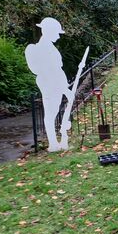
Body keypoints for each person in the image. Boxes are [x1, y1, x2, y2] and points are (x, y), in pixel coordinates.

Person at [25, 18, 73, 152]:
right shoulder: (39, 49)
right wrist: (64, 88)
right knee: (51, 113)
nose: (58, 36)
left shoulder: (50, 48)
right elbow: (50, 71)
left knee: (54, 111)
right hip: (49, 83)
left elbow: (58, 70)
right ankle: (53, 143)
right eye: (56, 33)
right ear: (48, 31)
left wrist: (65, 87)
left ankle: (58, 139)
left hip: (57, 82)